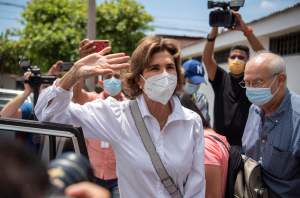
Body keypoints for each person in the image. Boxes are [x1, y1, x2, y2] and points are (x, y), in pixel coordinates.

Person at [35, 36, 205, 197]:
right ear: (139, 79)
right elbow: (48, 115)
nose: (165, 75)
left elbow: (196, 188)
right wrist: (74, 73)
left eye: (169, 67)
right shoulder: (119, 116)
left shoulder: (192, 122)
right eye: (154, 68)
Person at [72, 39, 126, 198]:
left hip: (119, 178)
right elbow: (76, 95)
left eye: (117, 76)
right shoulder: (92, 101)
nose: (113, 80)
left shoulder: (130, 107)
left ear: (122, 81)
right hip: (92, 176)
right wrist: (81, 65)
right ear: (101, 82)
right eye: (109, 76)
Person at [242, 51, 300, 197]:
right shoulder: (253, 109)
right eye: (247, 83)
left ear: (280, 80)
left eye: (257, 82)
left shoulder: (297, 117)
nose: (251, 89)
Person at [203, 12, 265, 146]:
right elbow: (207, 59)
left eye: (241, 57)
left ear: (248, 60)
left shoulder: (252, 80)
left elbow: (265, 56)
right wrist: (214, 31)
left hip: (246, 146)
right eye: (233, 57)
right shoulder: (220, 78)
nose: (236, 60)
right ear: (228, 60)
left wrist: (246, 30)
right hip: (220, 144)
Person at [180, 59, 210, 126]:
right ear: (182, 78)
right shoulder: (173, 97)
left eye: (198, 82)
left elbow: (203, 124)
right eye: (192, 81)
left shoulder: (201, 98)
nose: (195, 85)